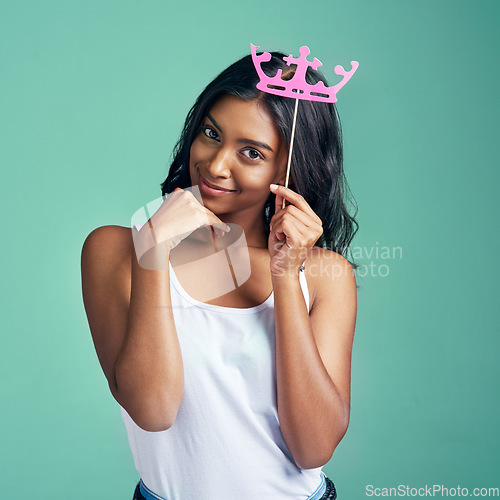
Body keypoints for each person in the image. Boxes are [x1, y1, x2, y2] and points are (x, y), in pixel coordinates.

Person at [81, 48, 358, 500]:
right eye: (211, 133)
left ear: (287, 169)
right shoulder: (114, 250)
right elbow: (152, 410)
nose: (215, 165)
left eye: (251, 152)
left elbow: (313, 447)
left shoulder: (326, 277)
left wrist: (286, 275)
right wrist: (153, 250)